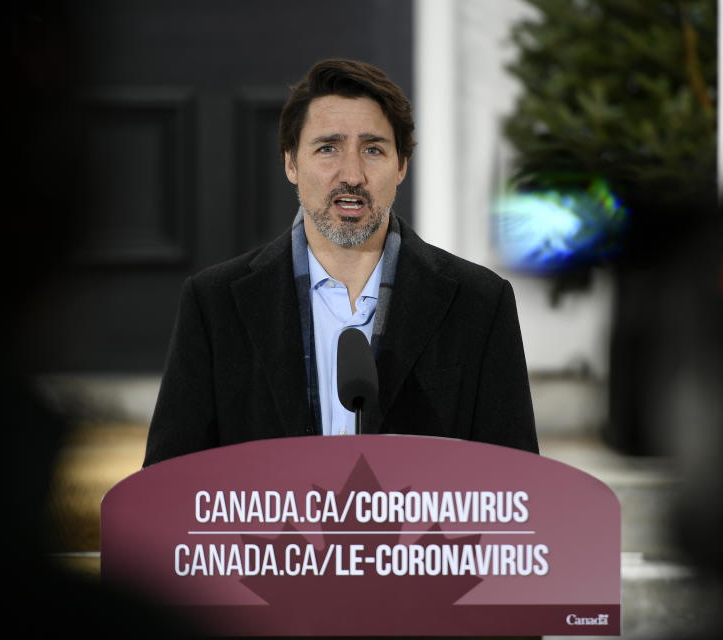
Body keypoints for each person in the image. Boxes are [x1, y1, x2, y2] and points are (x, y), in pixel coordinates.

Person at [144, 59, 537, 465]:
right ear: (291, 163)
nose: (352, 174)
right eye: (328, 148)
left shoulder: (480, 303)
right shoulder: (213, 304)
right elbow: (169, 484)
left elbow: (516, 489)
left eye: (373, 149)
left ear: (400, 165)